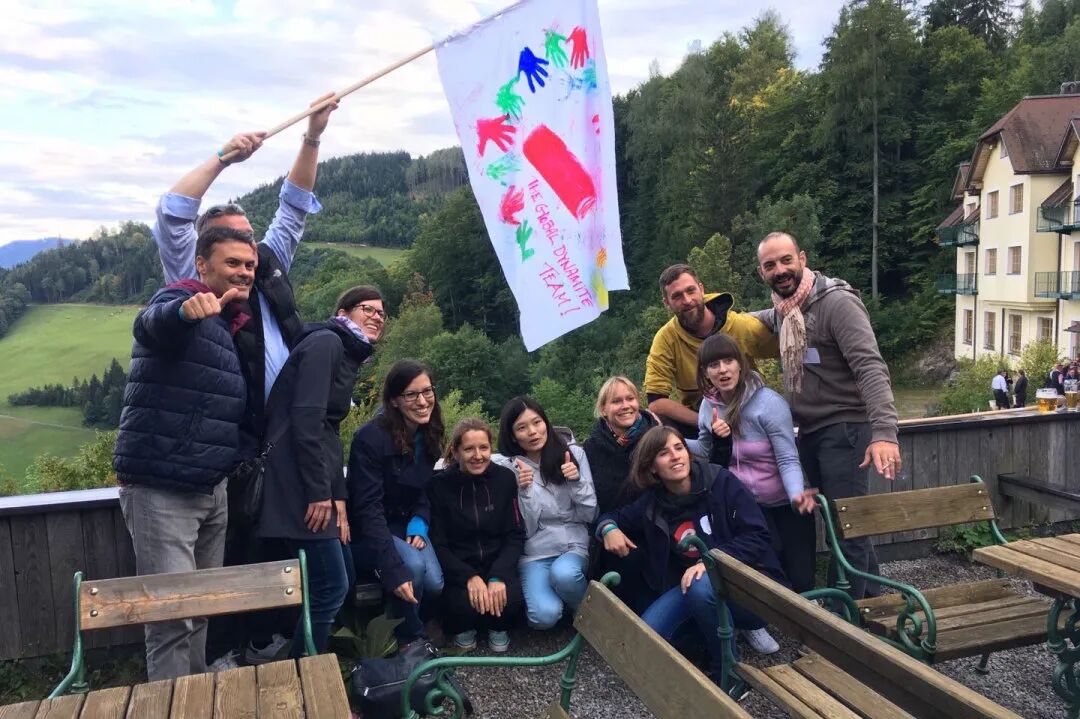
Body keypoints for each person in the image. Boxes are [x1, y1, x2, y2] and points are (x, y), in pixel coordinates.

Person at [152, 95, 338, 669]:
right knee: (226, 558)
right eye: (233, 243)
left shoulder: (264, 267)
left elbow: (294, 207)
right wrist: (223, 158)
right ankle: (217, 660)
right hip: (221, 445)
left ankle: (262, 647)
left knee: (271, 551)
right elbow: (173, 213)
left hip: (277, 437)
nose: (246, 253)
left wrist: (312, 135)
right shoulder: (191, 280)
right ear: (205, 256)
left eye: (250, 242)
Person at [113, 225, 254, 680]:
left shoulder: (226, 324)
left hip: (210, 487)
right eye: (233, 262)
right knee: (172, 619)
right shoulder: (182, 301)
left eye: (249, 265)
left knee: (200, 608)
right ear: (202, 265)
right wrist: (184, 313)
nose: (244, 272)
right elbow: (152, 325)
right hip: (163, 490)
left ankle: (196, 698)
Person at [754, 232, 900, 599]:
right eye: (770, 265)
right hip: (811, 432)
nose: (780, 270)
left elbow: (870, 367)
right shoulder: (784, 312)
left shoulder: (837, 303)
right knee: (844, 522)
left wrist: (885, 432)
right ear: (761, 273)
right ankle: (875, 603)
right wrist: (716, 317)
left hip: (846, 430)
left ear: (802, 259)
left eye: (786, 260)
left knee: (847, 526)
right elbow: (753, 322)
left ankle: (843, 615)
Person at [254, 286, 382, 656]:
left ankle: (304, 660)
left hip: (312, 482)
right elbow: (306, 421)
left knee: (342, 578)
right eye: (367, 309)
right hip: (297, 483)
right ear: (343, 313)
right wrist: (319, 492)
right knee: (331, 586)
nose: (377, 316)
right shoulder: (327, 343)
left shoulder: (345, 352)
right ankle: (301, 671)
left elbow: (329, 432)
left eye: (382, 313)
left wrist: (338, 495)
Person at [596, 427, 788, 673]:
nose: (675, 456)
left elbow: (757, 535)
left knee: (700, 585)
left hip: (746, 586)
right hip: (690, 590)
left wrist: (710, 561)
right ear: (652, 467)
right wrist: (608, 528)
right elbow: (612, 516)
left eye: (679, 448)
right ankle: (705, 639)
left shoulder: (721, 482)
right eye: (664, 453)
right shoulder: (653, 503)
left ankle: (727, 670)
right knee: (647, 636)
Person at [695, 334, 818, 593]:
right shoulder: (708, 406)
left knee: (801, 577)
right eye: (714, 365)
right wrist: (667, 438)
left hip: (785, 502)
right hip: (749, 508)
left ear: (740, 364)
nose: (723, 370)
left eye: (728, 361)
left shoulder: (769, 403)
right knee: (768, 577)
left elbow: (787, 457)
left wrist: (796, 494)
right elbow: (704, 450)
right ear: (706, 372)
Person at [348, 360, 445, 648]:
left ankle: (404, 621)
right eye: (411, 395)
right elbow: (368, 509)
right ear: (393, 401)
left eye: (427, 391)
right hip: (369, 530)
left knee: (435, 583)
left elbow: (422, 490)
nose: (422, 401)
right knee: (412, 568)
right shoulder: (369, 439)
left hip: (405, 523)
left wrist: (420, 521)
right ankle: (409, 641)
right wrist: (392, 567)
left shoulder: (428, 433)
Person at [495, 397, 597, 629]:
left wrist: (576, 481)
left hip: (573, 545)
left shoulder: (573, 454)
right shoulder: (509, 468)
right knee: (543, 617)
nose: (532, 432)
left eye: (537, 422)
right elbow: (528, 529)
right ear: (512, 436)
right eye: (522, 427)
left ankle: (588, 618)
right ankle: (564, 597)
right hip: (535, 552)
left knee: (564, 575)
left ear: (546, 423)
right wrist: (525, 491)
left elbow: (590, 515)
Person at [644, 264, 779, 438]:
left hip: (748, 412)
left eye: (691, 290)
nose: (687, 300)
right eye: (677, 296)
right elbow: (656, 402)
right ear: (667, 303)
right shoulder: (666, 339)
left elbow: (788, 350)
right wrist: (707, 422)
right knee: (649, 422)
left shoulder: (739, 325)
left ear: (701, 289)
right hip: (700, 420)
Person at [428, 419, 525, 653]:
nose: (478, 455)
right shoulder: (439, 486)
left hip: (496, 562)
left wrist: (498, 575)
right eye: (469, 449)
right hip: (460, 566)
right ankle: (466, 626)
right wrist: (468, 577)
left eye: (484, 448)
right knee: (461, 605)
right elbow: (439, 543)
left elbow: (515, 534)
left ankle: (497, 626)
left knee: (510, 599)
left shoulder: (505, 479)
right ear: (456, 451)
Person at [582, 376, 660, 611]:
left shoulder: (656, 437)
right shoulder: (592, 448)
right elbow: (587, 499)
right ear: (603, 409)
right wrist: (606, 527)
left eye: (630, 398)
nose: (625, 405)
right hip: (613, 535)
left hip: (658, 528)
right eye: (616, 401)